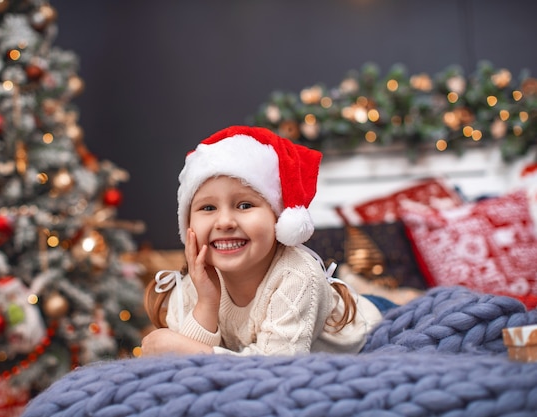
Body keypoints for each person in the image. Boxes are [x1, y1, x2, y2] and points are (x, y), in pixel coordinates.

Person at [141, 125, 385, 356]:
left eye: (245, 205)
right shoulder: (193, 286)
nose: (224, 222)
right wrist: (207, 301)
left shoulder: (297, 274)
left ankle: (373, 290)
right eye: (208, 207)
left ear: (276, 218)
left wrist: (190, 351)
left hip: (370, 320)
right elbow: (193, 374)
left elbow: (273, 368)